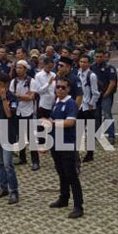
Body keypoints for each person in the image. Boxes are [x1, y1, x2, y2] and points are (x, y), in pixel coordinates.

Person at [46, 77, 84, 219]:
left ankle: (78, 205)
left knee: (72, 175)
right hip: (55, 143)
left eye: (63, 87)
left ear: (68, 89)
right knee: (61, 173)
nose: (60, 90)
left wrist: (53, 123)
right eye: (58, 87)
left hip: (67, 143)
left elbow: (69, 123)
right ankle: (63, 198)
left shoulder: (70, 103)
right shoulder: (56, 102)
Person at [0, 73, 19, 204]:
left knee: (8, 164)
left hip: (8, 134)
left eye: (0, 85)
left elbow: (9, 114)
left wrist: (4, 99)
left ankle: (14, 191)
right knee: (0, 163)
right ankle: (3, 188)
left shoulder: (12, 98)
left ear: (6, 85)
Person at [10, 60, 39, 170]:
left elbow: (31, 97)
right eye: (17, 68)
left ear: (25, 69)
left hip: (29, 112)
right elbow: (11, 96)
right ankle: (22, 158)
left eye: (21, 68)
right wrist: (23, 97)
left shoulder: (32, 81)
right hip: (18, 112)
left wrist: (19, 96)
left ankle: (35, 161)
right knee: (20, 136)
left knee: (31, 138)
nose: (18, 70)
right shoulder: (14, 82)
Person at [77, 55, 100, 163]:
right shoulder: (78, 73)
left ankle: (90, 153)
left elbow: (95, 92)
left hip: (88, 106)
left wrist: (91, 103)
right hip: (80, 105)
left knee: (89, 131)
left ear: (89, 63)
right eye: (81, 61)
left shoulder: (92, 76)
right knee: (78, 129)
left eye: (85, 62)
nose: (82, 64)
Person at [92, 49, 118, 144]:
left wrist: (106, 94)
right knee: (96, 115)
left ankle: (111, 135)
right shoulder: (92, 67)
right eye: (96, 57)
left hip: (105, 95)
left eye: (100, 57)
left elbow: (112, 82)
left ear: (103, 57)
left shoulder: (109, 67)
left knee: (107, 115)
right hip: (95, 95)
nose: (98, 58)